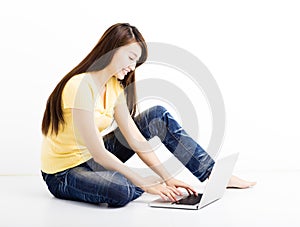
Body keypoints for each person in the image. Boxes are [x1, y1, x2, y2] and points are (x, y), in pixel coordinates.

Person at [41, 23, 255, 208]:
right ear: (112, 48)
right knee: (122, 190)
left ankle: (213, 174)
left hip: (92, 157)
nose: (132, 67)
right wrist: (145, 182)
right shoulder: (79, 86)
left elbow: (134, 138)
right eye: (131, 58)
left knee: (157, 116)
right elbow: (99, 155)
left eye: (137, 62)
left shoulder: (114, 87)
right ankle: (131, 182)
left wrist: (167, 177)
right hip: (64, 173)